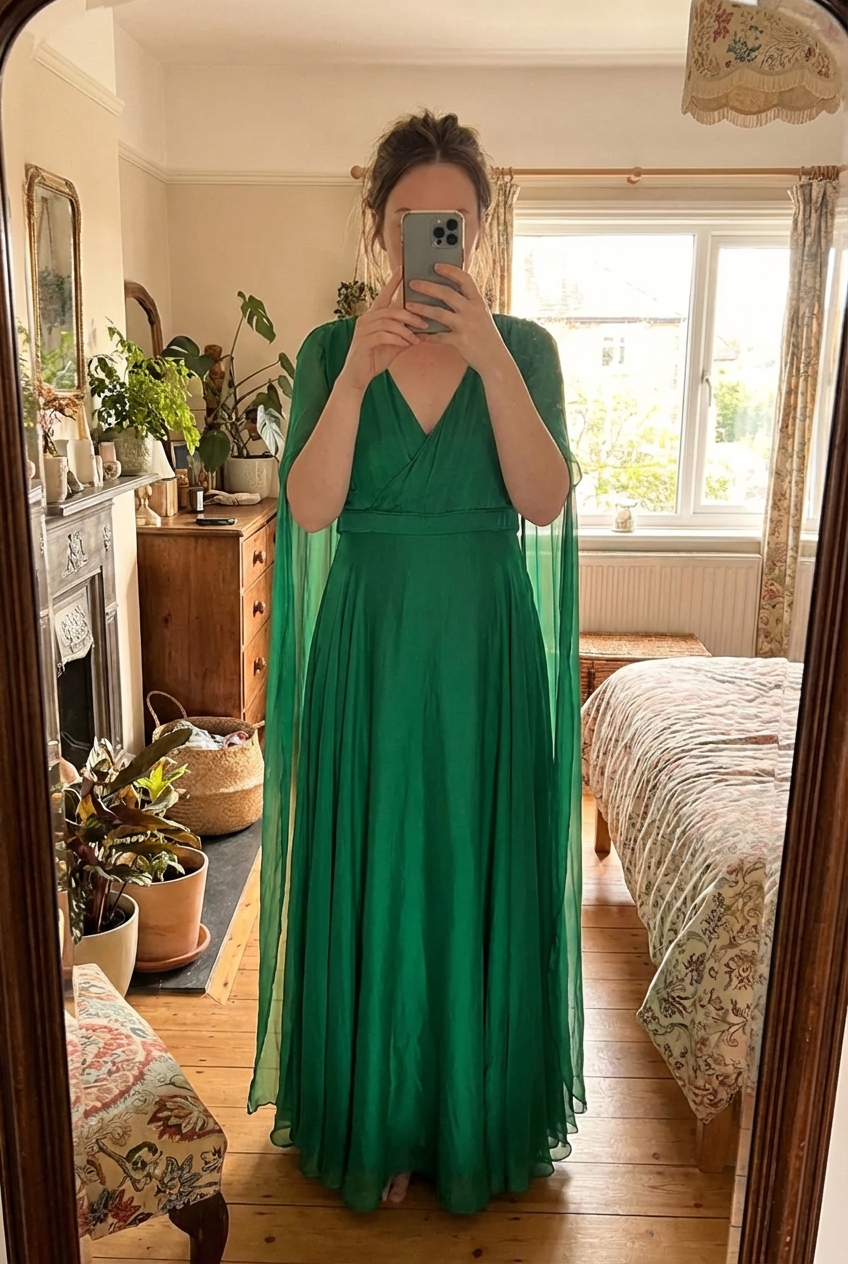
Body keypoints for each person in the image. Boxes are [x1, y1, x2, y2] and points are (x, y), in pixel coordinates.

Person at [249, 110, 585, 1215]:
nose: (433, 240)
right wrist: (354, 379)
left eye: (454, 222)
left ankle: (469, 1117)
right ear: (378, 227)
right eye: (410, 220)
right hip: (373, 650)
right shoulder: (326, 352)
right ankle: (381, 1119)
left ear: (480, 230)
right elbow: (309, 508)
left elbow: (543, 500)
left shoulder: (526, 348)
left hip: (485, 651)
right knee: (380, 861)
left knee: (469, 862)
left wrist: (491, 360)